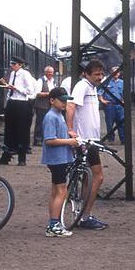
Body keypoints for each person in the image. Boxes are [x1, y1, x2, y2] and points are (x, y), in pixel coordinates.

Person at [65, 60, 109, 230]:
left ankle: (83, 215)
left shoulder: (92, 88)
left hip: (91, 139)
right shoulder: (82, 86)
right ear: (86, 74)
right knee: (98, 177)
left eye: (101, 73)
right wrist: (70, 129)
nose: (100, 77)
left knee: (87, 177)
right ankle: (86, 216)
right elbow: (70, 106)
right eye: (96, 74)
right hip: (85, 140)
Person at [42, 87, 81, 237]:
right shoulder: (51, 117)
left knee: (55, 191)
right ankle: (54, 225)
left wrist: (69, 137)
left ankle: (53, 223)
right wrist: (69, 141)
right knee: (61, 191)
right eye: (62, 100)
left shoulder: (58, 115)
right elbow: (50, 140)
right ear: (52, 100)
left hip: (59, 158)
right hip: (57, 159)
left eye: (66, 100)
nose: (65, 103)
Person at [0, 55, 37, 165]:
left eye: (14, 64)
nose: (12, 66)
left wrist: (15, 88)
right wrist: (8, 90)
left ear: (20, 65)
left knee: (22, 130)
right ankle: (6, 157)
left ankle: (21, 159)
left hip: (22, 104)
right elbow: (11, 90)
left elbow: (30, 91)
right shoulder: (12, 73)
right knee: (8, 130)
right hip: (12, 102)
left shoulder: (25, 74)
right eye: (11, 64)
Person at [32, 65, 58, 146]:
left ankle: (44, 138)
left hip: (50, 105)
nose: (50, 74)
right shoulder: (40, 81)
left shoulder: (53, 81)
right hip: (41, 105)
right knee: (40, 122)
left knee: (47, 122)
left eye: (51, 72)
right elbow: (37, 93)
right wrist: (49, 94)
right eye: (49, 72)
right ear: (45, 72)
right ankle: (37, 140)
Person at [100, 66, 126, 143]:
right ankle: (111, 139)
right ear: (111, 73)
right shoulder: (106, 82)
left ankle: (123, 139)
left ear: (119, 73)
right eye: (114, 72)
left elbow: (125, 93)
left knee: (121, 122)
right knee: (109, 123)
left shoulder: (122, 83)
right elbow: (100, 92)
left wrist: (124, 101)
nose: (116, 74)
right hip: (110, 105)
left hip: (120, 105)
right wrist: (102, 100)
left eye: (117, 72)